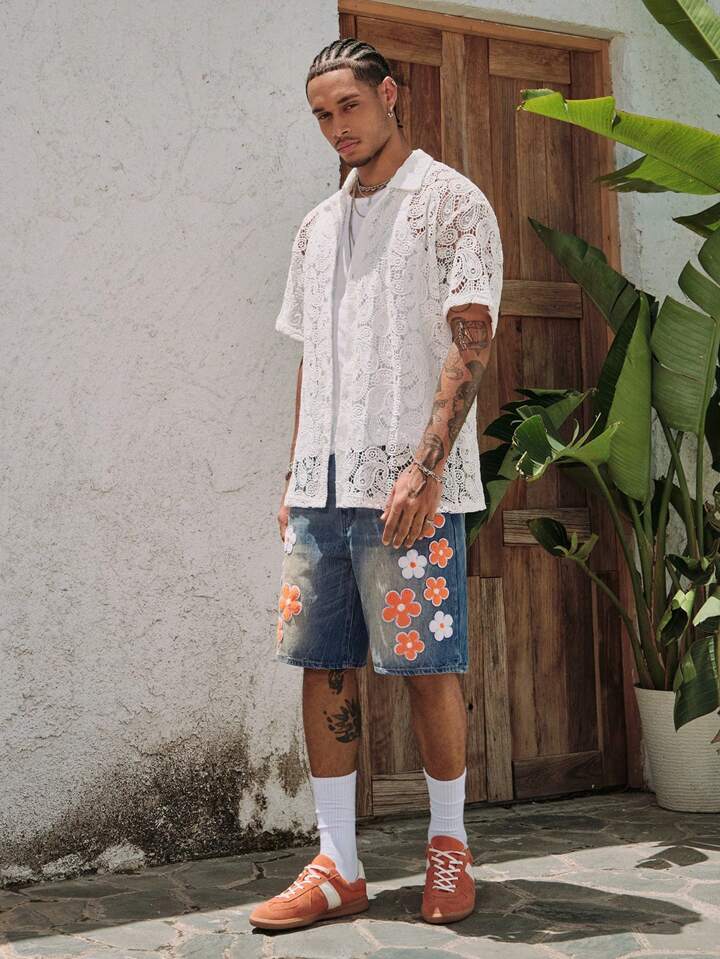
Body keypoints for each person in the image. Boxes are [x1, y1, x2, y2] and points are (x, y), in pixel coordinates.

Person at [249, 36, 503, 931]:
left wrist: (424, 469)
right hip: (320, 486)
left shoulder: (452, 203)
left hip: (411, 486)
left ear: (390, 95)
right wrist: (294, 474)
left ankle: (448, 844)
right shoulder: (316, 227)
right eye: (322, 116)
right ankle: (337, 864)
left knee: (427, 665)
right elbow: (311, 362)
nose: (336, 128)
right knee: (323, 664)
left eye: (349, 107)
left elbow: (471, 342)